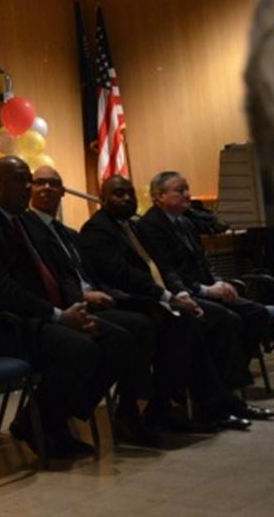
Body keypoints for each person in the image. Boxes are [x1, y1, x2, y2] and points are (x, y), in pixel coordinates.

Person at [0, 157, 132, 459]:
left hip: (28, 319)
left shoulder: (18, 222)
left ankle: (43, 418)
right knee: (80, 349)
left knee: (118, 340)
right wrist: (60, 317)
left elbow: (43, 276)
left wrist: (69, 312)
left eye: (28, 179)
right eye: (21, 181)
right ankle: (45, 423)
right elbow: (2, 291)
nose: (27, 188)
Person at [76, 175, 252, 431]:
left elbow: (160, 267)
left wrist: (179, 294)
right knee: (189, 323)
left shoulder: (131, 226)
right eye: (118, 193)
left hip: (156, 296)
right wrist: (169, 297)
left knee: (216, 320)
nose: (127, 198)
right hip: (127, 301)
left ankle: (215, 402)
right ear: (103, 199)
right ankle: (188, 407)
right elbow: (123, 276)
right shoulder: (97, 229)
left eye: (130, 193)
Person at [23, 166, 160, 445]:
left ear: (63, 192)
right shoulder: (26, 229)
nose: (47, 188)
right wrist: (83, 298)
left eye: (54, 183)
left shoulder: (67, 233)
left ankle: (137, 407)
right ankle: (60, 414)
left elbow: (87, 275)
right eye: (40, 183)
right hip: (64, 308)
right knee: (126, 334)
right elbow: (50, 281)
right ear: (29, 189)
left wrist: (99, 292)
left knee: (150, 319)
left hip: (94, 297)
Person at [138, 170, 273, 422]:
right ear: (159, 196)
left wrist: (220, 284)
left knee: (255, 314)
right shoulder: (150, 225)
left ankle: (224, 389)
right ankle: (219, 401)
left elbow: (203, 263)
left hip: (203, 288)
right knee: (227, 320)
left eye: (187, 188)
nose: (188, 195)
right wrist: (204, 291)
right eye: (180, 190)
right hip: (181, 294)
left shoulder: (186, 222)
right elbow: (166, 270)